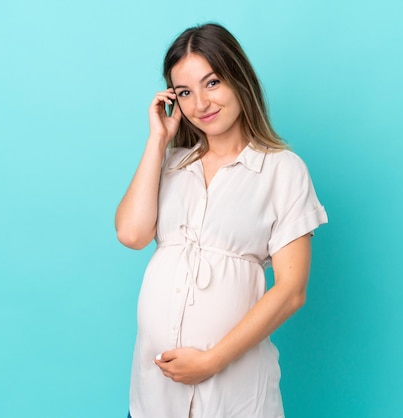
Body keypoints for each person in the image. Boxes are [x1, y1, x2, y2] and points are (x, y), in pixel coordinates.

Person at [115, 23, 328, 418]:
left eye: (212, 82)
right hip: (154, 398)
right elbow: (131, 233)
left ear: (238, 78)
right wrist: (157, 141)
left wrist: (211, 361)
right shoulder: (171, 165)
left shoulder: (282, 170)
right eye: (184, 92)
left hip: (235, 398)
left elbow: (291, 291)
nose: (200, 104)